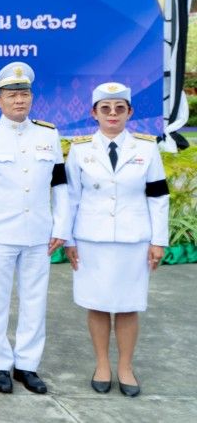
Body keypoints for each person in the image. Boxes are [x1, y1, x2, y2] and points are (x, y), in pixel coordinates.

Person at [0, 63, 68, 394]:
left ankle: (27, 365)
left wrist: (61, 226)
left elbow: (60, 185)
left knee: (35, 301)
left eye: (24, 94)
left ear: (32, 98)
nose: (19, 101)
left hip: (39, 232)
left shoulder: (48, 134)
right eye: (12, 95)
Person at [64, 82, 169, 398]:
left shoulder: (147, 148)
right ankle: (102, 365)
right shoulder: (81, 149)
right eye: (105, 109)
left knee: (127, 306)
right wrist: (69, 240)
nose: (112, 114)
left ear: (129, 112)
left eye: (119, 108)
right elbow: (70, 198)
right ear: (94, 113)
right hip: (91, 239)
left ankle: (124, 366)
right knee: (96, 304)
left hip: (133, 238)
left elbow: (158, 196)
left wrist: (158, 240)